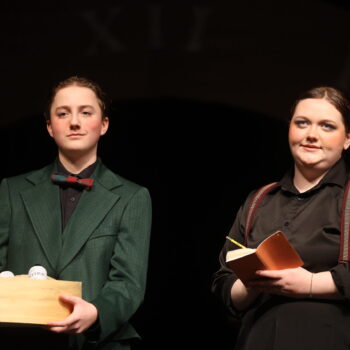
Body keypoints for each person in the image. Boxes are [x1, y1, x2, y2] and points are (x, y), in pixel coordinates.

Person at [0, 76, 152, 350]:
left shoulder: (132, 197)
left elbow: (129, 283)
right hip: (23, 340)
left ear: (104, 124)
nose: (74, 122)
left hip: (98, 342)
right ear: (49, 126)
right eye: (62, 113)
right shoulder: (12, 190)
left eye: (86, 112)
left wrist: (96, 313)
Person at [211, 86, 350, 350]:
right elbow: (223, 282)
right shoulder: (259, 200)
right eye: (302, 123)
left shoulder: (348, 198)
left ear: (347, 139)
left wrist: (309, 284)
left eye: (327, 126)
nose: (311, 134)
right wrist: (252, 284)